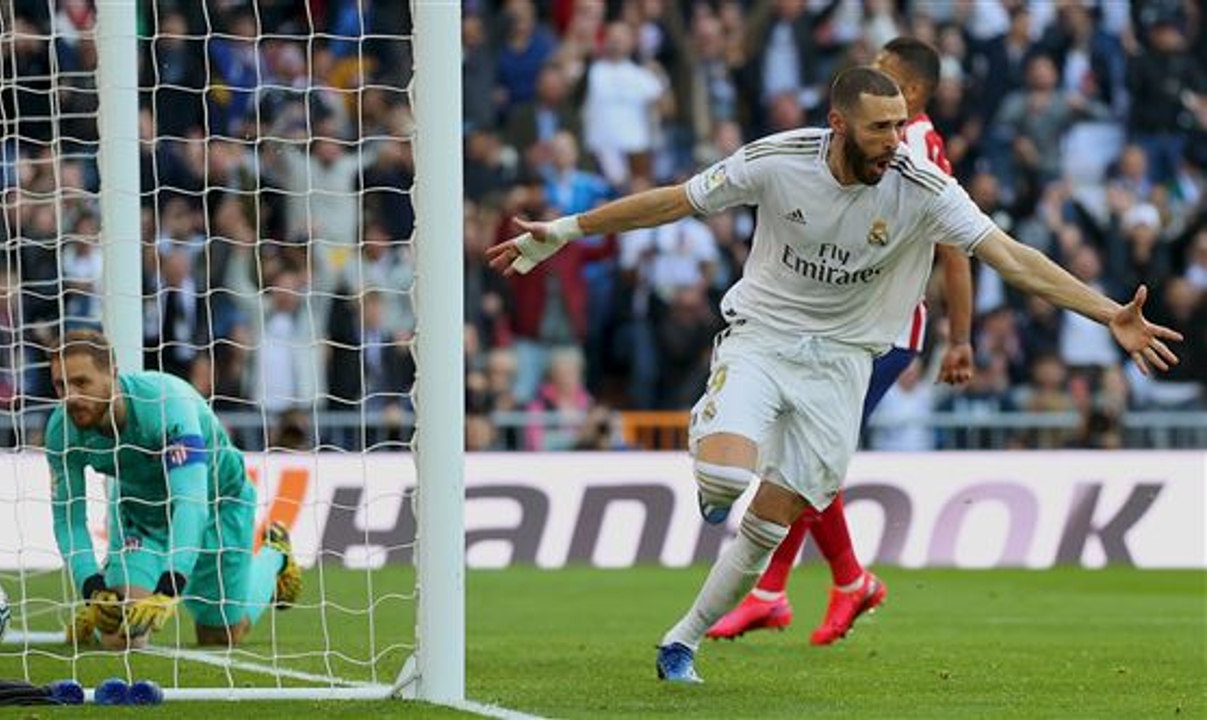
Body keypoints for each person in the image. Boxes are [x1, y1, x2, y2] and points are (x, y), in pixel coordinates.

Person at [487, 66, 1180, 684]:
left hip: (844, 367)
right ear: (839, 124)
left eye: (901, 126)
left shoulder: (923, 187)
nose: (894, 140)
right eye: (881, 128)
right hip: (763, 339)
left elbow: (1011, 256)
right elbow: (673, 200)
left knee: (766, 529)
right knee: (725, 483)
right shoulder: (777, 161)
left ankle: (682, 639)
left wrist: (1105, 313)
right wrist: (568, 229)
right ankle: (711, 433)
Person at [706, 37, 974, 647]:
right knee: (803, 456)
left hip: (882, 329)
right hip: (843, 324)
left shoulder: (917, 143)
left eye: (884, 74)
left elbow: (956, 244)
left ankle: (807, 587)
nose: (870, 78)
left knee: (807, 457)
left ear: (911, 92)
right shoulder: (870, 140)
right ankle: (808, 587)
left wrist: (960, 336)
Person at [45, 328, 302, 649]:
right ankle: (103, 613)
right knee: (120, 635)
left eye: (82, 383)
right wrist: (91, 587)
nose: (71, 397)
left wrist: (171, 585)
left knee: (220, 636)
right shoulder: (61, 430)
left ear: (112, 372)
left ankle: (274, 557)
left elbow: (190, 502)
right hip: (140, 516)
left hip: (216, 506)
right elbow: (68, 519)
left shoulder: (167, 406)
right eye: (60, 386)